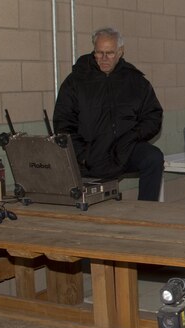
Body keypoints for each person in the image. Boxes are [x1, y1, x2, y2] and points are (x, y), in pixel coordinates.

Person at [53, 27, 164, 201]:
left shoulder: (136, 81)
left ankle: (146, 209)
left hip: (124, 150)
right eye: (99, 53)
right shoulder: (76, 81)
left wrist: (132, 136)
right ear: (94, 51)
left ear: (120, 52)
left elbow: (153, 116)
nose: (104, 59)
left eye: (110, 53)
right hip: (90, 155)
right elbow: (63, 122)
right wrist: (82, 154)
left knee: (153, 158)